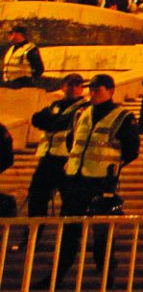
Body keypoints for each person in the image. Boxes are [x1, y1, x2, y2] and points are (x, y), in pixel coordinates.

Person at [52, 75, 141, 283]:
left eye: (97, 90)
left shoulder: (123, 117)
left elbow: (131, 150)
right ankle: (58, 273)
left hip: (101, 182)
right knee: (68, 230)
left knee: (102, 233)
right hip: (75, 180)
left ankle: (106, 272)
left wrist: (111, 167)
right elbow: (71, 140)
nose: (91, 93)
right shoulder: (81, 113)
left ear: (110, 91)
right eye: (90, 89)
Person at [23, 74, 86, 222]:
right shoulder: (55, 105)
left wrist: (50, 120)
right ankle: (31, 238)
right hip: (48, 158)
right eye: (70, 84)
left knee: (70, 202)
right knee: (36, 198)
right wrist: (53, 121)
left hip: (67, 160)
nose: (73, 88)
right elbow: (36, 119)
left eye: (77, 85)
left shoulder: (84, 108)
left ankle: (68, 242)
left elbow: (61, 122)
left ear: (82, 89)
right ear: (63, 86)